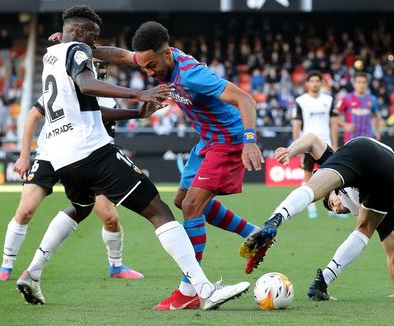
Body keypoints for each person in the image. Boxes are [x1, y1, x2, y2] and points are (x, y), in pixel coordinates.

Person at [15, 5, 249, 310]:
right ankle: (203, 290)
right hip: (91, 151)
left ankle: (32, 272)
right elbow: (87, 83)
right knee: (160, 211)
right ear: (82, 32)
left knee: (80, 207)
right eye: (94, 38)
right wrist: (138, 94)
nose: (95, 46)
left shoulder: (53, 55)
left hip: (60, 156)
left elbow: (95, 99)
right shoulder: (76, 50)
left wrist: (136, 113)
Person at [93, 21, 265, 310]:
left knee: (191, 207)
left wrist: (249, 140)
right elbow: (121, 55)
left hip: (228, 140)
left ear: (166, 53)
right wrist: (78, 47)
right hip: (207, 140)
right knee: (182, 200)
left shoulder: (194, 75)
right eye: (144, 67)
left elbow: (244, 99)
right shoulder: (155, 57)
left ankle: (189, 290)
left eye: (151, 66)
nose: (148, 73)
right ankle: (253, 234)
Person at [0, 60, 158, 282]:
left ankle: (116, 266)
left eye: (102, 65)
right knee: (25, 210)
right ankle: (6, 265)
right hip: (50, 154)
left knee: (109, 217)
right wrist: (24, 155)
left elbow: (105, 131)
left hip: (85, 157)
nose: (99, 68)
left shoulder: (109, 99)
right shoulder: (65, 87)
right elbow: (32, 115)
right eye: (94, 63)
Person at [240, 132, 394, 300]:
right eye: (334, 209)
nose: (337, 209)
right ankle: (321, 283)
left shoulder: (337, 167)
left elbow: (312, 139)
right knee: (362, 229)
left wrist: (290, 151)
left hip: (364, 150)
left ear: (333, 192)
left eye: (332, 204)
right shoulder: (378, 207)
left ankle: (275, 218)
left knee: (317, 188)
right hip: (388, 170)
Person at [291, 71, 339, 218]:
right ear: (307, 84)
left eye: (317, 81)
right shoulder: (301, 101)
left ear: (321, 83)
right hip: (307, 146)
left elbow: (334, 124)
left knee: (332, 177)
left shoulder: (329, 100)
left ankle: (335, 205)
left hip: (326, 144)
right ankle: (311, 208)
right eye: (311, 81)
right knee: (308, 178)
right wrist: (297, 148)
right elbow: (297, 125)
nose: (314, 84)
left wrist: (335, 145)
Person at [338, 72, 381, 143]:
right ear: (354, 84)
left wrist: (377, 131)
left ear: (367, 84)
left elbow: (375, 115)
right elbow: (334, 116)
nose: (361, 85)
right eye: (359, 82)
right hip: (350, 139)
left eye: (364, 82)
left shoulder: (372, 99)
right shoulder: (345, 98)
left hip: (367, 139)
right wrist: (345, 124)